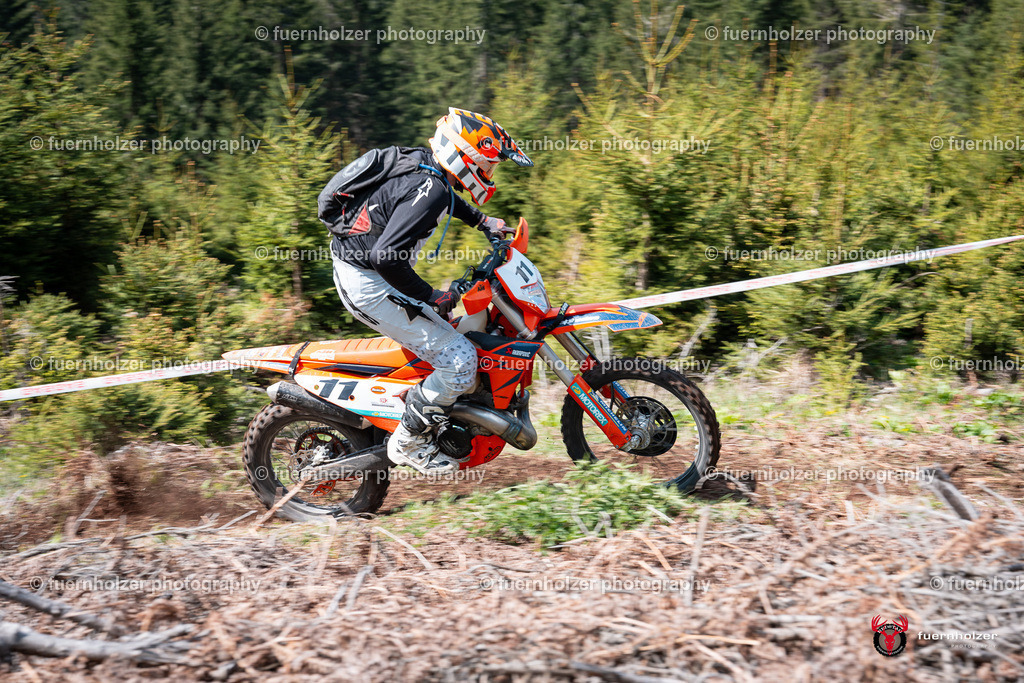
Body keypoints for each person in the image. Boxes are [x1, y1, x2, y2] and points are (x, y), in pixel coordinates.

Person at [330, 107, 533, 474]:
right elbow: (386, 257)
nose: (489, 174)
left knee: (451, 337)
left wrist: (481, 220)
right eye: (488, 165)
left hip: (366, 271)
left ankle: (429, 411)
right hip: (368, 282)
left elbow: (439, 198)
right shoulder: (434, 189)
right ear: (466, 157)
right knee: (460, 360)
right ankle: (407, 442)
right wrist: (432, 296)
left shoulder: (426, 166)